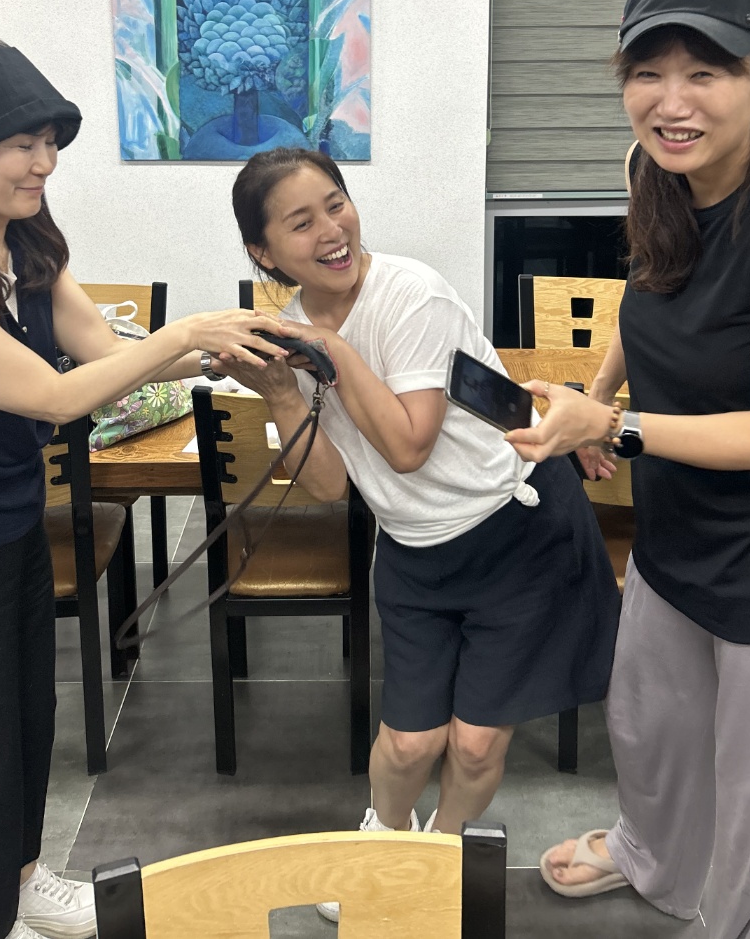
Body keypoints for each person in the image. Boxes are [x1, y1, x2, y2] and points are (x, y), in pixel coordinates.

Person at [0, 38, 285, 939]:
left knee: (27, 725)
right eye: (22, 144)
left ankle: (25, 881)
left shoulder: (25, 250)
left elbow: (110, 358)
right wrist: (185, 332)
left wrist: (231, 352)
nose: (44, 163)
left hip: (14, 533)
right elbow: (52, 395)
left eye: (50, 142)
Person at [506, 0, 750, 939]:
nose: (671, 102)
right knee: (650, 725)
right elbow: (648, 286)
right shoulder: (653, 167)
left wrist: (613, 429)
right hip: (678, 522)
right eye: (647, 72)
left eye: (704, 71)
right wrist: (598, 392)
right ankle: (653, 859)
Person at [219, 146, 620, 923]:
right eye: (301, 223)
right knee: (408, 742)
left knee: (474, 742)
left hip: (516, 532)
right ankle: (382, 837)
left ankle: (440, 851)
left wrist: (333, 349)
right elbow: (331, 484)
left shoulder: (412, 296)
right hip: (414, 548)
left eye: (336, 203)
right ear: (263, 252)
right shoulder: (293, 335)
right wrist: (280, 391)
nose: (332, 230)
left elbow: (408, 444)